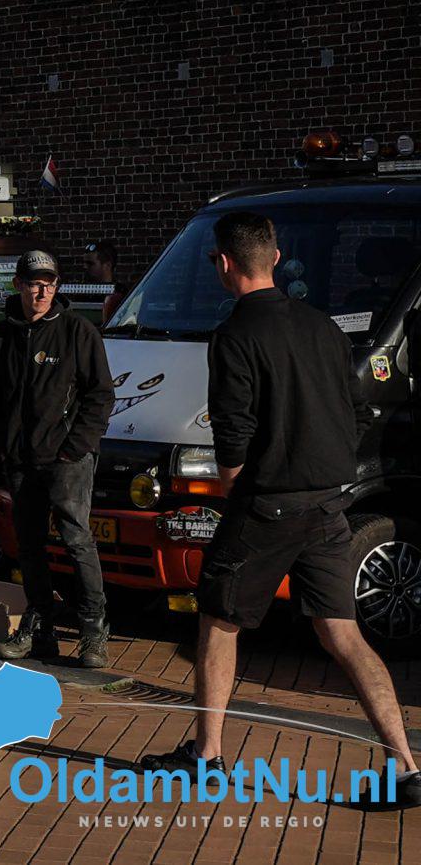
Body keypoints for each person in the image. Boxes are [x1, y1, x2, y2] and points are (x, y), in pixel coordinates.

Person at [139, 213, 419, 784]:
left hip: (267, 503)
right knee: (343, 633)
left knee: (219, 621)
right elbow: (355, 411)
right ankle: (406, 763)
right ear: (275, 257)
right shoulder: (324, 328)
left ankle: (207, 755)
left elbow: (232, 432)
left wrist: (234, 487)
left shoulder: (235, 334)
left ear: (223, 263)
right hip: (329, 503)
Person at [0, 249, 113, 668]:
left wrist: (76, 446)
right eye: (35, 284)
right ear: (18, 284)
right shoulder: (2, 336)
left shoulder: (76, 331)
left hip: (67, 458)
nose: (42, 292)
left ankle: (93, 632)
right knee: (29, 546)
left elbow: (100, 394)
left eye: (49, 284)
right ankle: (41, 629)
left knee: (77, 541)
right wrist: (2, 442)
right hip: (21, 459)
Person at [85, 242, 125, 321]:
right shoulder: (82, 293)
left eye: (90, 264)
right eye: (85, 263)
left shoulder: (121, 293)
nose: (85, 267)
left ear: (108, 265)